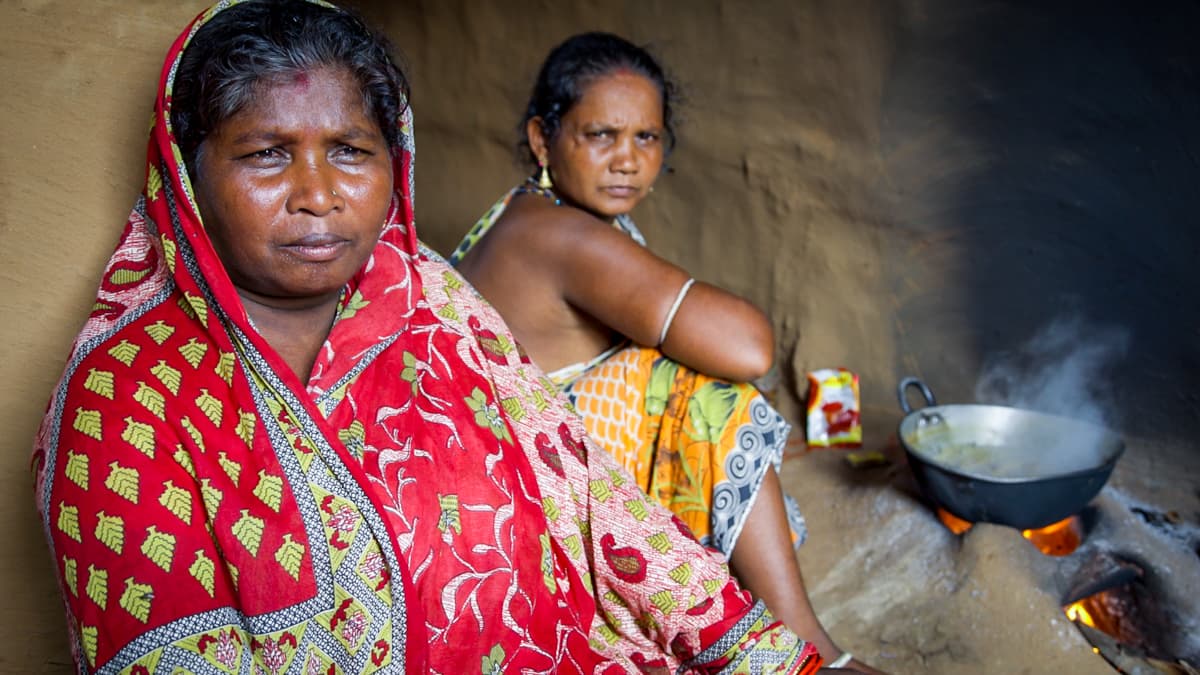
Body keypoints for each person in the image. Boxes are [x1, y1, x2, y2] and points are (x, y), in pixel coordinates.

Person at [30, 2, 825, 672]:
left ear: (394, 160)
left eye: (350, 151)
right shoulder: (126, 396)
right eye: (267, 155)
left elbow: (592, 498)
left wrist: (769, 655)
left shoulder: (432, 299)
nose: (317, 194)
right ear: (187, 169)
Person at [451, 32, 882, 674]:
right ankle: (802, 638)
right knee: (707, 391)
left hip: (509, 478)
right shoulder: (559, 234)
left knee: (668, 367)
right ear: (544, 140)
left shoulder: (523, 212)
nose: (627, 159)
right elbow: (748, 345)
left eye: (646, 138)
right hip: (526, 502)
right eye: (600, 135)